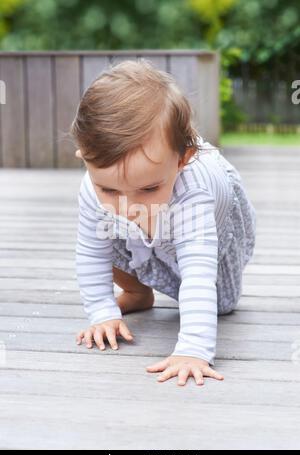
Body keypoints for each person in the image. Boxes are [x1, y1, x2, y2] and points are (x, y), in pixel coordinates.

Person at [70, 59, 256, 386]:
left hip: (206, 226)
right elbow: (91, 255)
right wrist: (102, 313)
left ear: (183, 159)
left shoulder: (192, 192)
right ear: (84, 157)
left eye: (148, 188)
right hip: (149, 227)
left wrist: (193, 350)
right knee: (105, 233)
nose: (127, 205)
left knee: (220, 304)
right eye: (110, 189)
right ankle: (138, 293)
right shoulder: (93, 188)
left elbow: (199, 273)